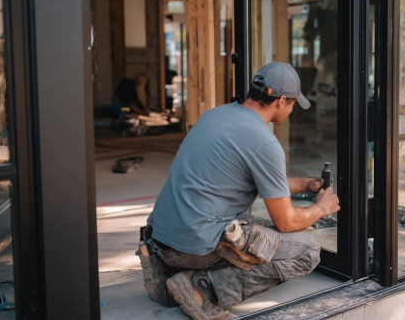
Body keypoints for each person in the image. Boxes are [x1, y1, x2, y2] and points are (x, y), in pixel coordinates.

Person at [138, 62, 341, 320]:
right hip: (195, 247)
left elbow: (256, 177)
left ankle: (165, 275)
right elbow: (287, 221)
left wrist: (306, 185)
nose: (291, 110)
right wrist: (321, 208)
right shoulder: (264, 141)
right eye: (292, 104)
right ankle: (201, 290)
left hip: (162, 239)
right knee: (307, 251)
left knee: (260, 228)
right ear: (280, 101)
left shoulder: (215, 115)